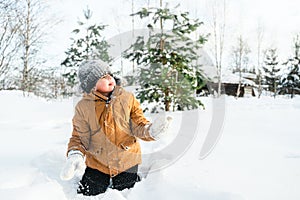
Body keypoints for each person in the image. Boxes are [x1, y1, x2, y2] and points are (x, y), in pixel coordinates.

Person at [60, 59, 172, 196]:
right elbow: (79, 137)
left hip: (126, 161)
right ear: (91, 86)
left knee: (125, 189)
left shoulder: (127, 98)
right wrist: (75, 154)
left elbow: (138, 124)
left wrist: (151, 131)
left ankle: (132, 179)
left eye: (109, 74)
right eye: (102, 77)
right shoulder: (83, 107)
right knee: (88, 192)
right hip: (97, 163)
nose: (109, 78)